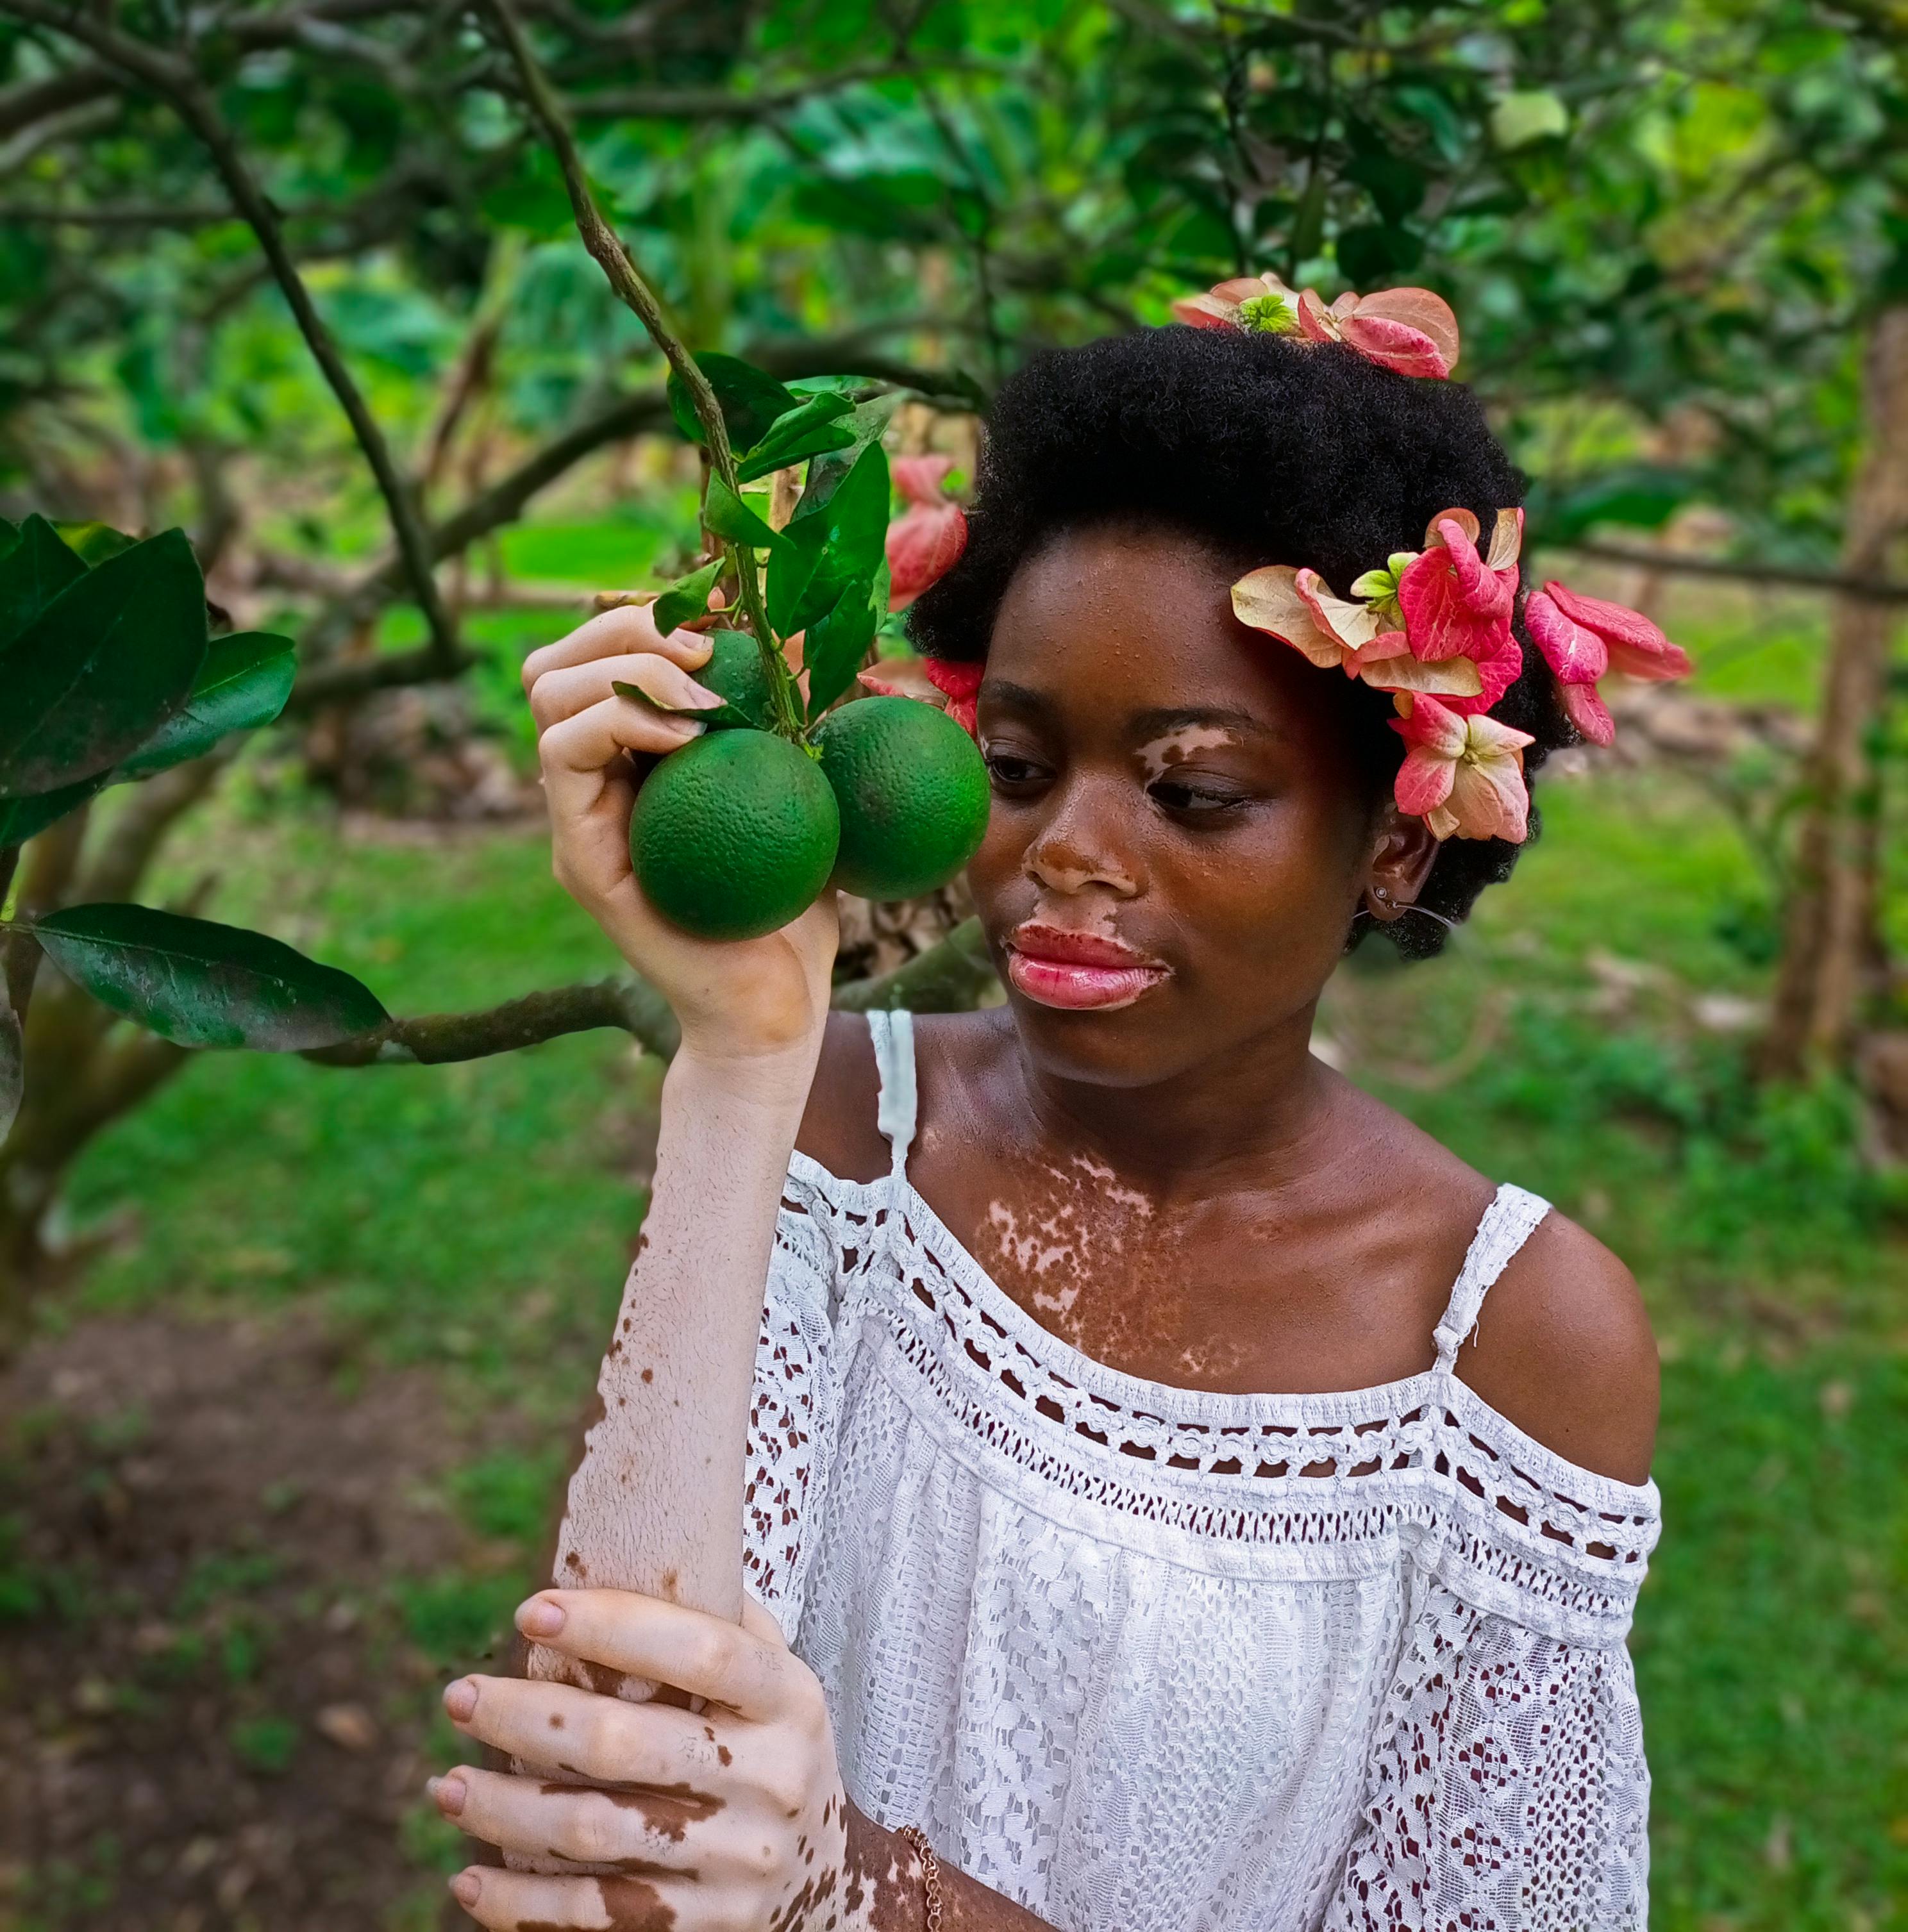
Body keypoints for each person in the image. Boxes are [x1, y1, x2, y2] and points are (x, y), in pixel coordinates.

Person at [427, 290, 1671, 1932]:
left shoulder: (1505, 1345)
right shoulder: (837, 1136)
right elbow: (604, 1789)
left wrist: (861, 1892)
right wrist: (738, 1052)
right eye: (1016, 768)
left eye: (1194, 790)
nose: (1061, 857)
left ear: (1396, 841)